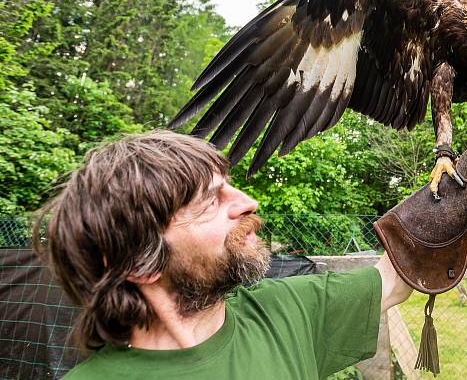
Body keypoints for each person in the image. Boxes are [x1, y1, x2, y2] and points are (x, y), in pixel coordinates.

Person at [33, 130, 413, 379]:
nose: (249, 202)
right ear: (138, 261)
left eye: (230, 188)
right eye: (208, 201)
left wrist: (456, 187)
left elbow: (395, 278)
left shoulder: (290, 310)